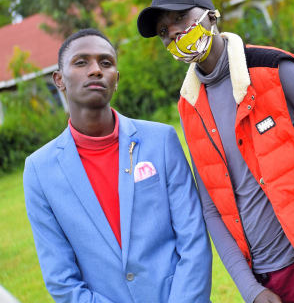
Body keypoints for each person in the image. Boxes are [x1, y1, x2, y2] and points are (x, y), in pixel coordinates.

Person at [137, 0, 294, 303]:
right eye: (164, 31)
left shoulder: (273, 68)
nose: (174, 33)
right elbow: (212, 206)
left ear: (211, 16)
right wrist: (250, 289)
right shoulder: (189, 106)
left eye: (180, 18)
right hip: (265, 283)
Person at [23, 28, 212, 302]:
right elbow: (61, 280)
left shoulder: (161, 140)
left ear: (117, 80)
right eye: (81, 62)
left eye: (106, 62)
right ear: (59, 80)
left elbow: (193, 240)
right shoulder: (39, 171)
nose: (96, 70)